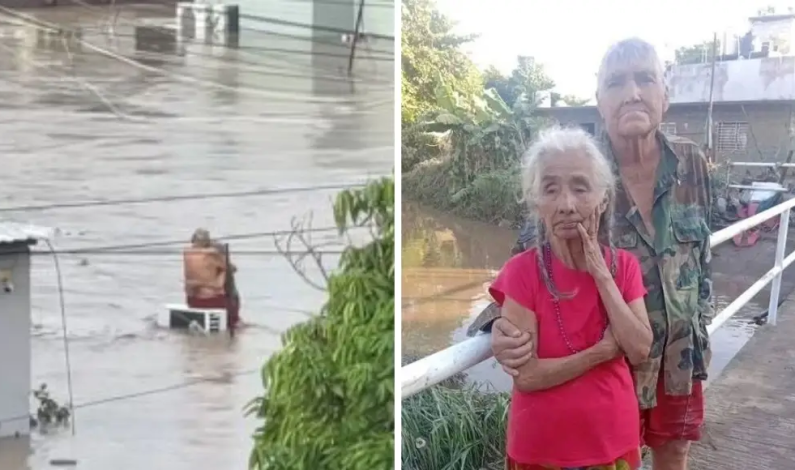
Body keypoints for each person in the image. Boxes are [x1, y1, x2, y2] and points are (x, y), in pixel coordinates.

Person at [471, 38, 714, 470]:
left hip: (677, 357)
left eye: (645, 79)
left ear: (665, 94)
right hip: (609, 364)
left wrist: (702, 327)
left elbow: (704, 258)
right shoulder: (578, 167)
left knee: (676, 451)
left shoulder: (690, 162)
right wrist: (498, 329)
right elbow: (529, 258)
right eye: (616, 83)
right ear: (600, 100)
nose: (632, 93)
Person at [493, 126, 652, 469]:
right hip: (541, 450)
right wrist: (602, 351)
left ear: (603, 199)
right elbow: (528, 376)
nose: (566, 205)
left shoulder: (624, 266)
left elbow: (640, 349)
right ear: (536, 202)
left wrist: (601, 273)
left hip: (612, 442)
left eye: (580, 188)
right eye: (550, 189)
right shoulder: (521, 272)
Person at [183, 228, 241, 328]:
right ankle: (233, 320)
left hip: (192, 301)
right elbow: (233, 268)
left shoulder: (187, 253)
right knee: (224, 271)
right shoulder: (211, 255)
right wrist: (221, 253)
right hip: (212, 301)